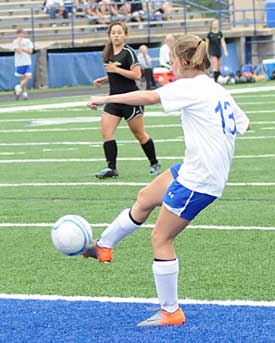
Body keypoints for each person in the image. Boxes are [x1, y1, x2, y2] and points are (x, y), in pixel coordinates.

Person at [86, 35, 250, 326]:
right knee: (146, 196)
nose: (171, 66)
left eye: (172, 60)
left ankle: (170, 311)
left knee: (161, 238)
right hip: (194, 168)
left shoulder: (191, 86)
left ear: (184, 61)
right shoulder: (215, 88)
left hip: (199, 179)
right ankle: (105, 245)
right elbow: (243, 123)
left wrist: (105, 98)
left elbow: (148, 96)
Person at [92, 21, 160, 179]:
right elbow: (115, 75)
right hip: (114, 100)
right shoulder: (108, 53)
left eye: (119, 32)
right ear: (109, 35)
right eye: (113, 33)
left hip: (131, 99)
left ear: (125, 35)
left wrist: (116, 69)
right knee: (106, 132)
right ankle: (111, 168)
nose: (116, 35)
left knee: (139, 134)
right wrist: (104, 79)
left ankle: (154, 162)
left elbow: (137, 75)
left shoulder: (128, 52)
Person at [12, 27, 34, 100]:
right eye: (19, 33)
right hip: (19, 63)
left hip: (27, 61)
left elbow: (30, 51)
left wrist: (24, 49)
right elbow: (18, 51)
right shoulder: (15, 42)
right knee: (22, 79)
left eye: (22, 33)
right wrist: (19, 43)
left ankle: (18, 88)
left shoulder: (28, 41)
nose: (21, 35)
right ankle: (24, 93)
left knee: (28, 77)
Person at [206, 19, 228, 83]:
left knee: (219, 67)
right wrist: (206, 52)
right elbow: (207, 44)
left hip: (218, 51)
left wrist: (225, 51)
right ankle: (215, 81)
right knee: (215, 66)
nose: (215, 25)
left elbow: (223, 42)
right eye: (214, 24)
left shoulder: (220, 33)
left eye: (216, 24)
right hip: (212, 51)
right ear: (212, 25)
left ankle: (218, 80)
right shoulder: (209, 34)